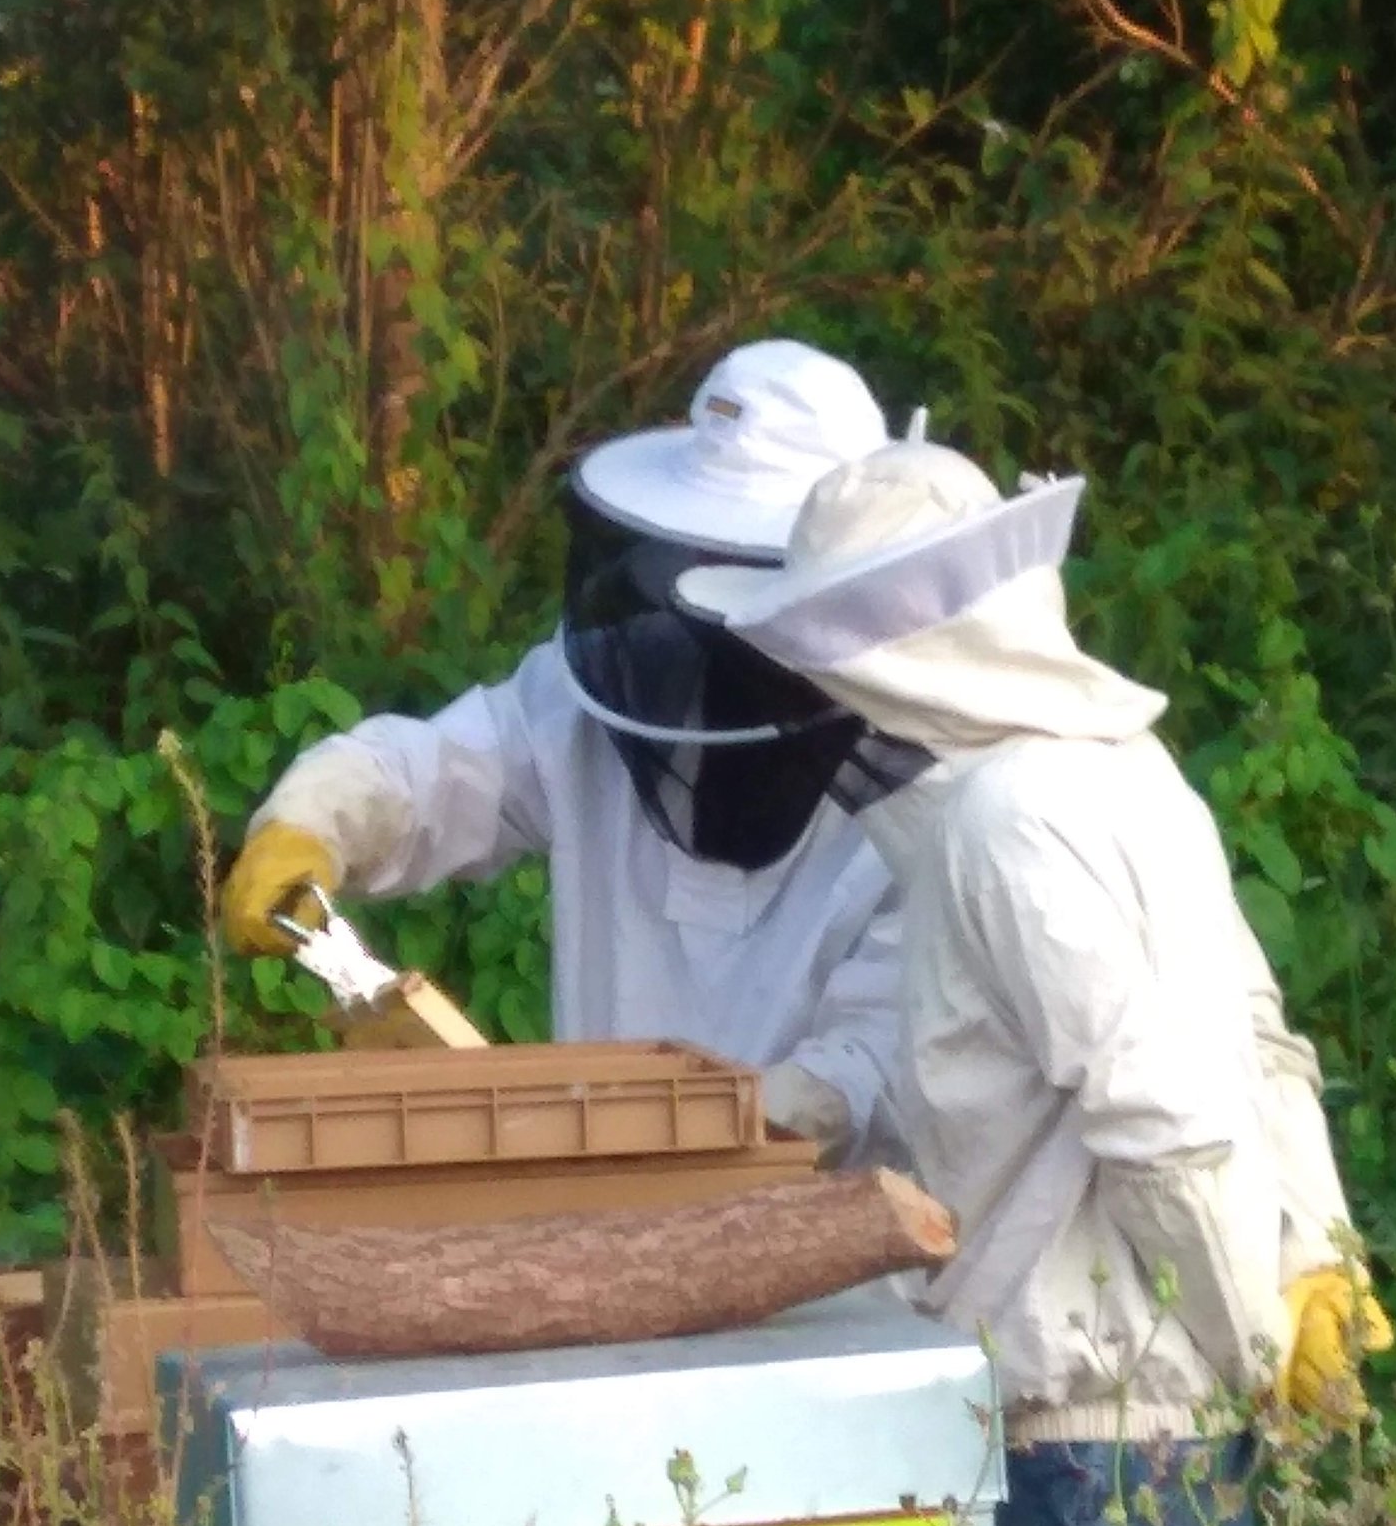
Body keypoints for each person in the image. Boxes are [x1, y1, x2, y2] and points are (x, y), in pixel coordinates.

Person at [673, 433, 1394, 1526]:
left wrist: (1265, 1325)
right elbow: (1248, 1040)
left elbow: (1168, 1114)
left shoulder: (1008, 823)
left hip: (1090, 1446)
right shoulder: (1127, 778)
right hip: (1158, 1436)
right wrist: (1313, 1258)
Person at [222, 339, 915, 1168]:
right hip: (596, 1223)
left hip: (835, 1252)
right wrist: (319, 818)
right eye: (701, 564)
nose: (717, 610)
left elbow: (871, 1067)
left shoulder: (931, 782)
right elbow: (446, 767)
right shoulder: (616, 689)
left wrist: (683, 1128)